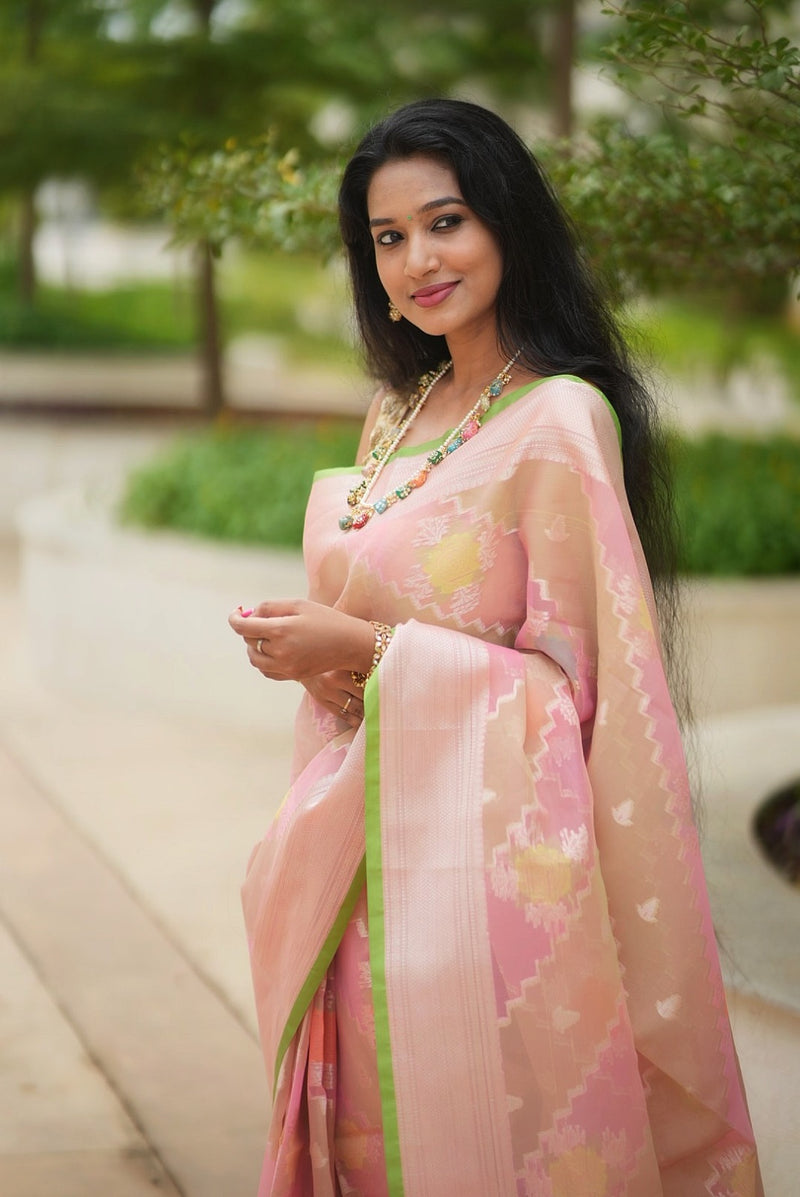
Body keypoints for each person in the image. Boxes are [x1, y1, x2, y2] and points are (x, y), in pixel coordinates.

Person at [229, 98, 762, 1197]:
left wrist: (374, 652)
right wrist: (322, 658)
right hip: (357, 853)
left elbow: (580, 692)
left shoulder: (559, 421)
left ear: (505, 224)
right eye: (386, 238)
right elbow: (384, 618)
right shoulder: (399, 406)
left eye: (445, 221)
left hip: (477, 892)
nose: (417, 259)